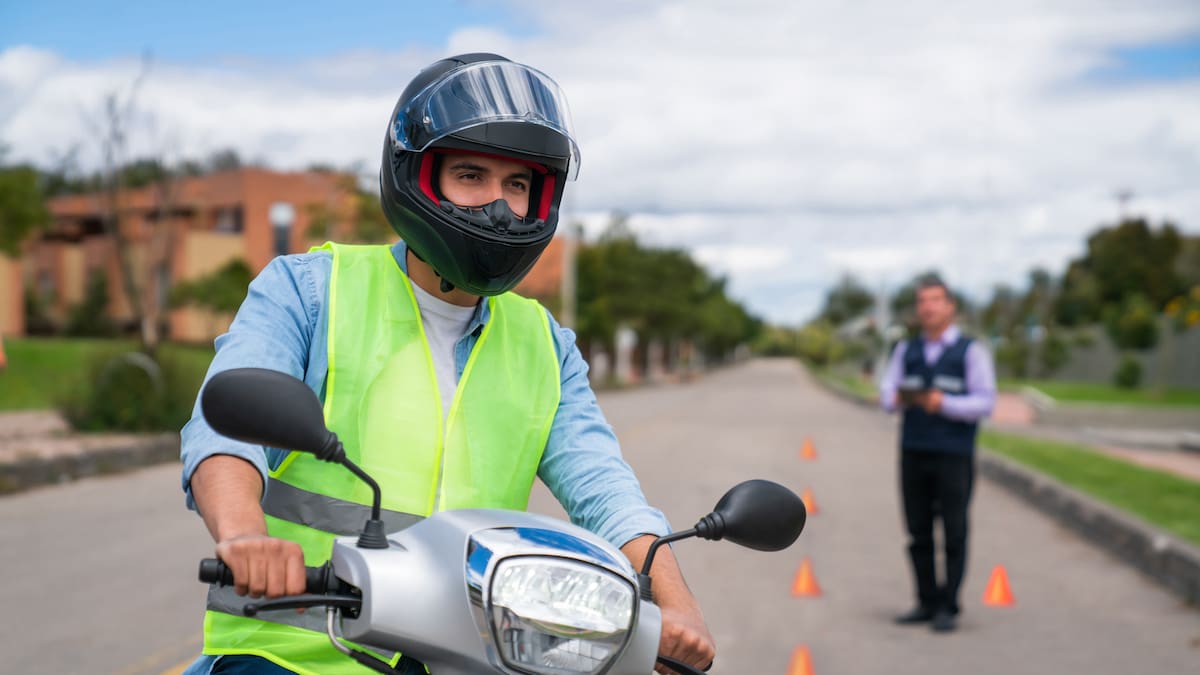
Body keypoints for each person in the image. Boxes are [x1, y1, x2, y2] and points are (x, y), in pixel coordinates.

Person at [179, 53, 714, 675]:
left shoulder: (544, 342)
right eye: (470, 175)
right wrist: (246, 536)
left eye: (517, 186)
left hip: (470, 657)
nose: (498, 206)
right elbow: (225, 430)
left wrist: (678, 607)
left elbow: (605, 490)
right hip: (293, 652)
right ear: (417, 177)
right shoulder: (312, 291)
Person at [878, 275, 995, 633]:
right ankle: (925, 601)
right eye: (922, 301)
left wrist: (943, 403)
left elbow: (985, 402)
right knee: (918, 531)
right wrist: (899, 397)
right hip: (913, 451)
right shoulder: (905, 350)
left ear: (950, 306)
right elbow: (886, 393)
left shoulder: (971, 352)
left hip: (953, 454)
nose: (927, 307)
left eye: (935, 300)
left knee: (954, 531)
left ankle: (949, 604)